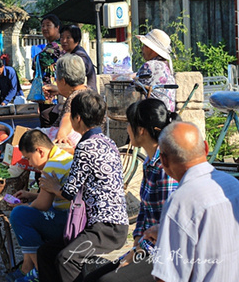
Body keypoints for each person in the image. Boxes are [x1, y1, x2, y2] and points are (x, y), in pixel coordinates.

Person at [83, 99, 179, 282]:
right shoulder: (148, 162)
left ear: (140, 130)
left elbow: (168, 223)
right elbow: (145, 210)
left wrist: (136, 252)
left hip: (166, 251)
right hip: (146, 246)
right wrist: (136, 241)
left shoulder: (165, 168)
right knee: (92, 278)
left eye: (129, 124)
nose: (127, 129)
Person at [38, 90, 128, 282]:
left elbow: (70, 192)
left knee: (66, 259)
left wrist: (53, 186)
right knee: (47, 252)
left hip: (106, 229)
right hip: (108, 225)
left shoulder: (85, 146)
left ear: (77, 118)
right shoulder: (108, 142)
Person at [148, 122, 239, 282]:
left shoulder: (180, 201)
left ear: (163, 160)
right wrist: (165, 232)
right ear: (205, 148)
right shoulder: (233, 185)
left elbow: (167, 277)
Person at [7, 129, 74, 282]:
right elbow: (56, 197)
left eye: (29, 158)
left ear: (40, 151)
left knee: (19, 216)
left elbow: (42, 205)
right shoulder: (62, 157)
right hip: (71, 214)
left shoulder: (52, 166)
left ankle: (41, 271)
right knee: (26, 213)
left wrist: (22, 208)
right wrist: (31, 196)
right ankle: (27, 267)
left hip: (69, 221)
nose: (30, 164)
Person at [43, 54, 89, 147]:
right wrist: (58, 90)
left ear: (63, 81)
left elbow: (68, 116)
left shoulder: (74, 98)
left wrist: (61, 134)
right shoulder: (89, 92)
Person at [29, 14, 64, 126]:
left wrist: (36, 59)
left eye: (48, 25)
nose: (44, 28)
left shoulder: (58, 45)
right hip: (47, 95)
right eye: (43, 26)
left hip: (54, 96)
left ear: (57, 27)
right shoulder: (48, 46)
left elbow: (41, 60)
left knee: (49, 124)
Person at [135, 29, 176, 112]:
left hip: (152, 114)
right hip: (167, 113)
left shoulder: (149, 65)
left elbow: (134, 87)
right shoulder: (165, 65)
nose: (142, 48)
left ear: (152, 49)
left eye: (145, 45)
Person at [60, 25, 96, 91]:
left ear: (76, 40)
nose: (64, 41)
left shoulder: (79, 57)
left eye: (68, 38)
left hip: (86, 96)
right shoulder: (74, 53)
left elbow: (74, 83)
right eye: (62, 37)